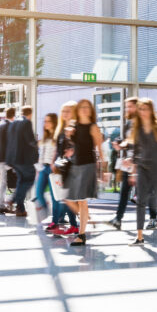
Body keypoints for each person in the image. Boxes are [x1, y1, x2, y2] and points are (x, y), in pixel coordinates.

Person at [127, 99, 157, 245]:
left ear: (151, 110)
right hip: (142, 168)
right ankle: (139, 236)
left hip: (156, 170)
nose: (142, 112)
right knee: (140, 202)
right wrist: (132, 171)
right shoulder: (137, 127)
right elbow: (135, 151)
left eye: (145, 109)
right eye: (140, 109)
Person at [108, 97, 156, 230]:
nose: (127, 109)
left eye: (130, 106)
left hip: (142, 163)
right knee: (124, 191)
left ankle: (153, 218)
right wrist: (119, 145)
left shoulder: (144, 124)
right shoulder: (129, 123)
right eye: (126, 106)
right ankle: (118, 218)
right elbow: (128, 141)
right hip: (128, 163)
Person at [65, 99, 107, 246]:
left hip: (88, 165)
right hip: (75, 165)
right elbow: (73, 145)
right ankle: (86, 219)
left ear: (90, 110)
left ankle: (81, 234)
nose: (84, 109)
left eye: (87, 107)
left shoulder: (92, 126)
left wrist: (104, 170)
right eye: (81, 107)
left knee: (82, 200)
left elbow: (100, 149)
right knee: (70, 199)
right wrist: (69, 134)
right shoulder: (74, 126)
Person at [49, 101, 80, 236]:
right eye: (63, 111)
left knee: (68, 198)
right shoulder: (61, 130)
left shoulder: (76, 130)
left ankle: (75, 223)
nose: (65, 114)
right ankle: (72, 224)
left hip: (73, 169)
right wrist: (52, 162)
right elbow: (57, 149)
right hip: (61, 168)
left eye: (68, 111)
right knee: (63, 197)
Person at [2, 105, 38, 218]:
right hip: (24, 159)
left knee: (21, 181)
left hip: (13, 159)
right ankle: (13, 199)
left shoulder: (13, 123)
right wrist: (38, 143)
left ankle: (20, 209)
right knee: (30, 179)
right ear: (30, 114)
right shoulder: (26, 122)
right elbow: (30, 141)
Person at [33, 113, 58, 222]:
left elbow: (57, 153)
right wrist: (38, 170)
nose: (45, 123)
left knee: (55, 197)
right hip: (43, 168)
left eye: (48, 121)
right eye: (45, 121)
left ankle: (56, 219)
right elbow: (41, 155)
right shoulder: (45, 138)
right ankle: (49, 212)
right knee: (38, 193)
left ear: (54, 123)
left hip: (53, 169)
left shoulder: (57, 137)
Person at [0, 108, 14, 209]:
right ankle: (12, 200)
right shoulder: (11, 126)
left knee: (2, 182)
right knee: (20, 179)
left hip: (1, 157)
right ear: (13, 115)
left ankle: (1, 204)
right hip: (10, 158)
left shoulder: (0, 125)